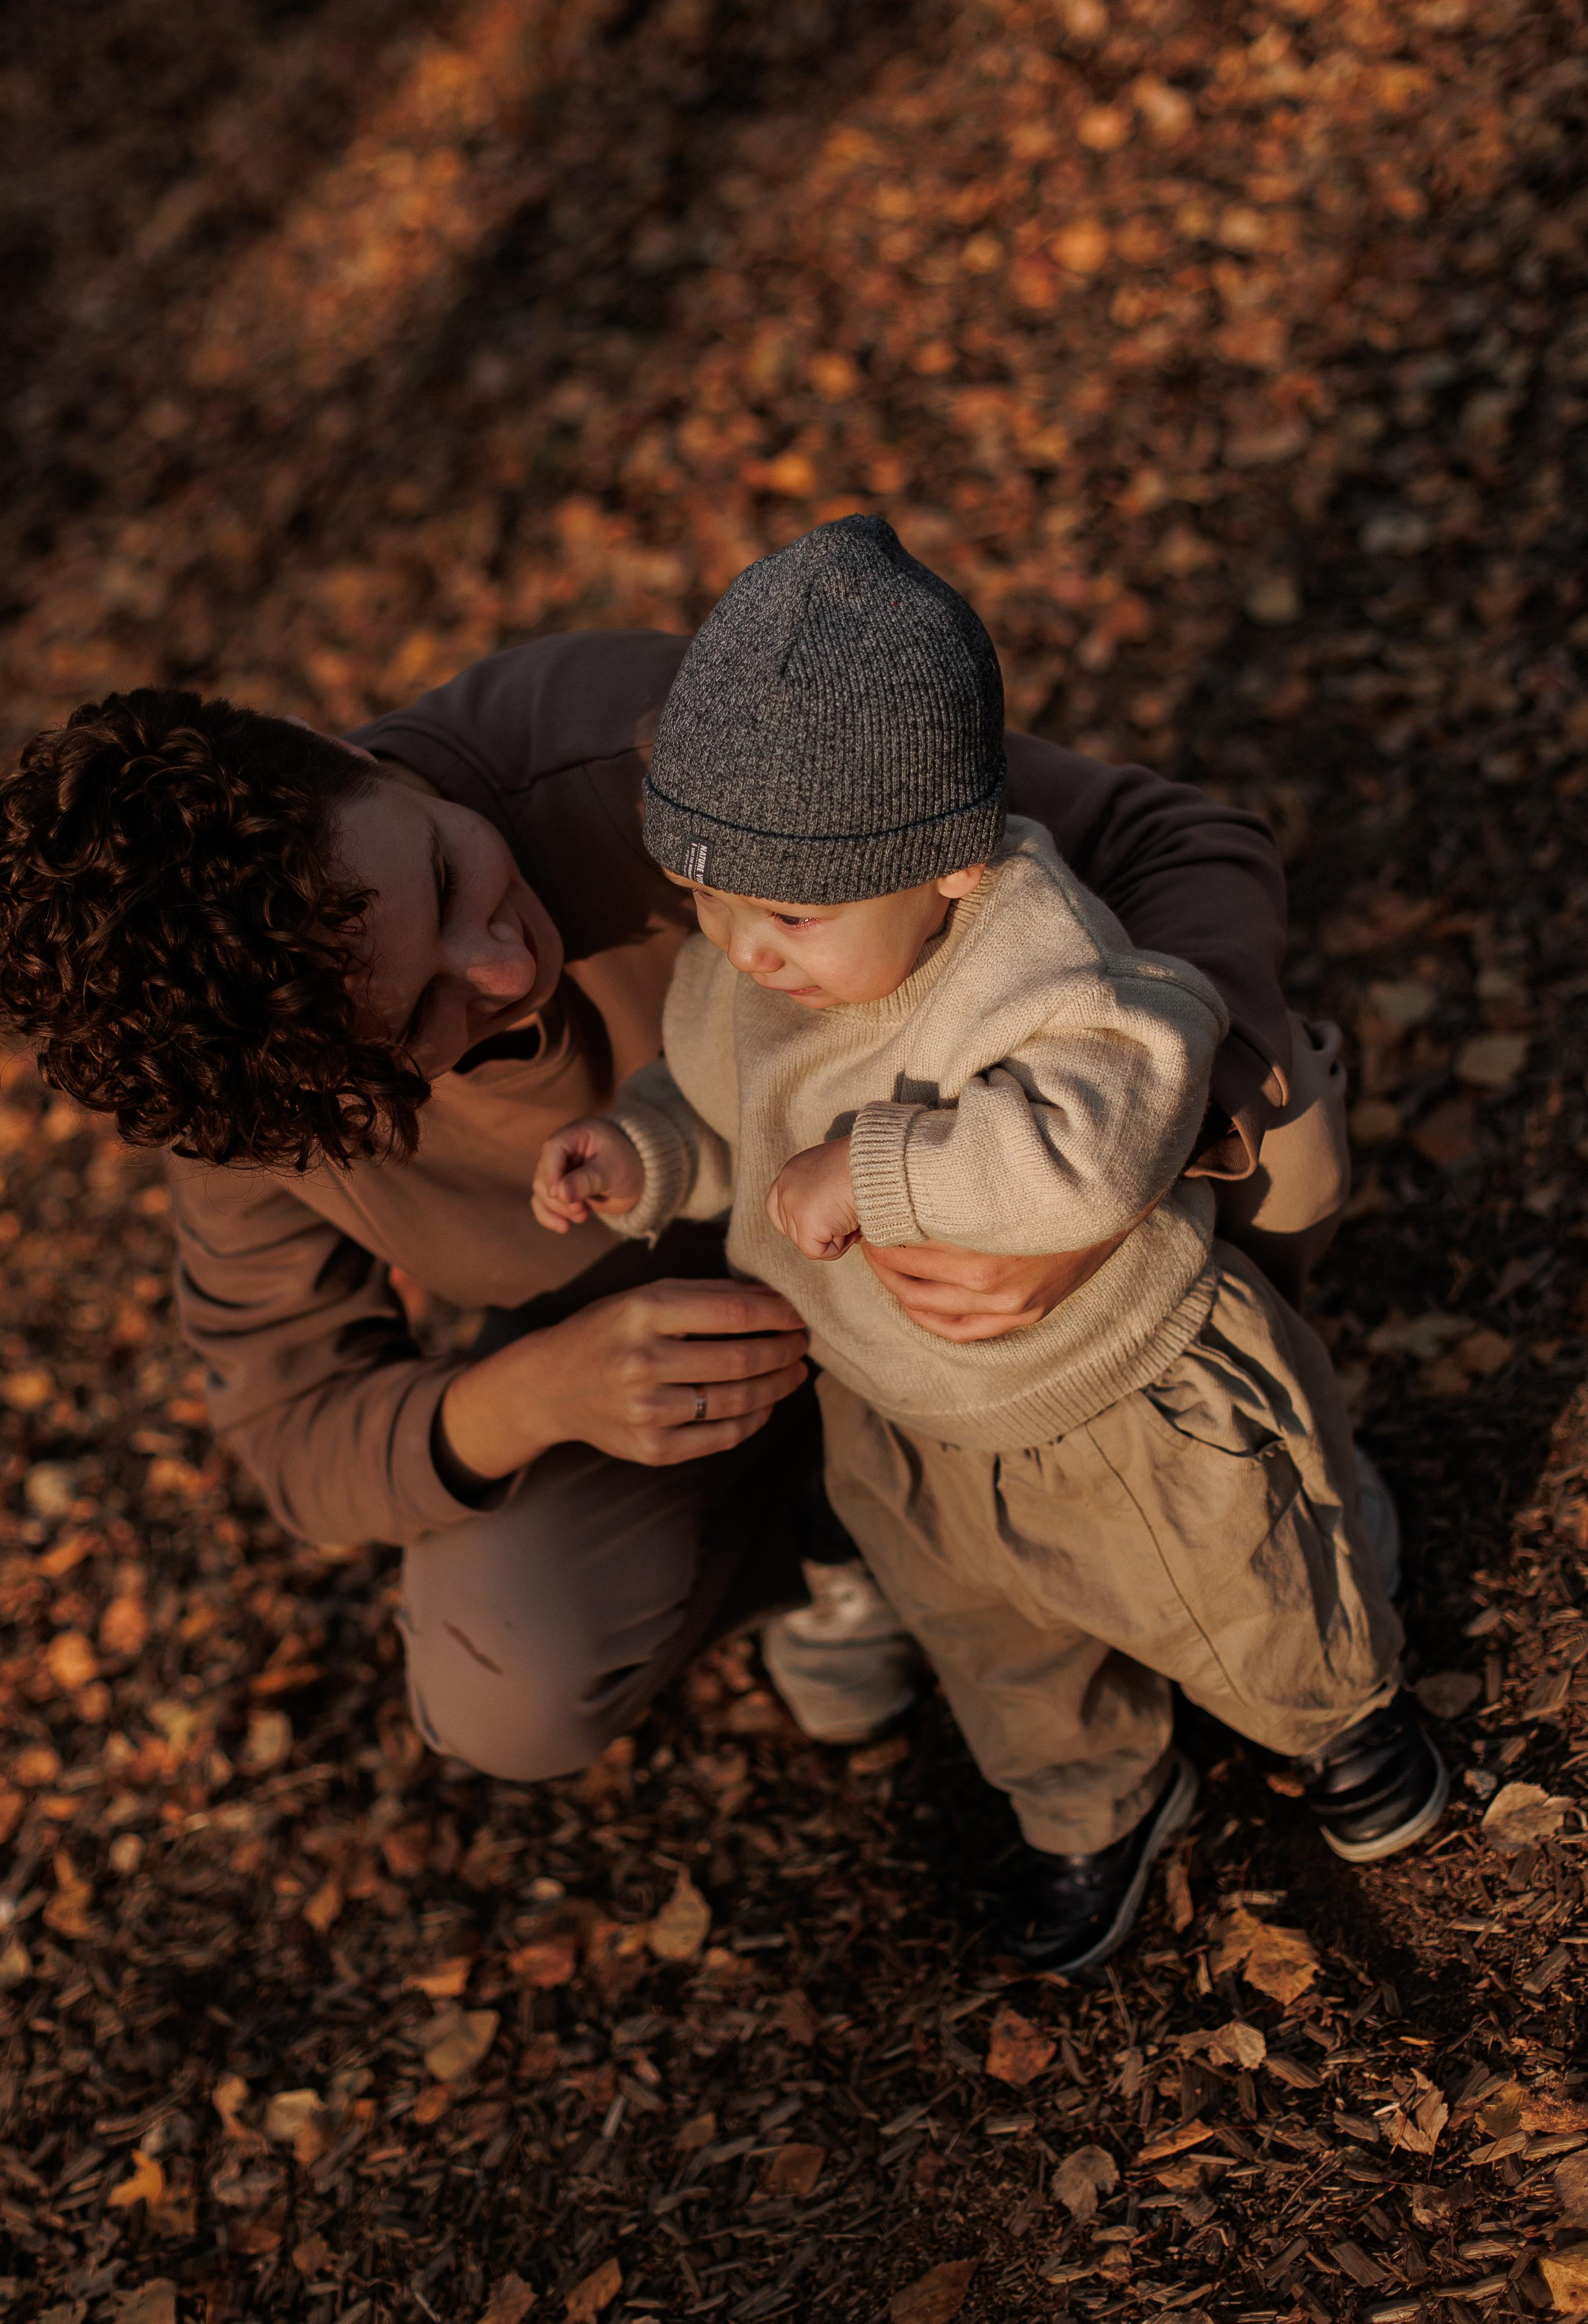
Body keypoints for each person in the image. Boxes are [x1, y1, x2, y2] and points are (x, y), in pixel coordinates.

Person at [0, 585, 1349, 1856]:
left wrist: (1092, 1197)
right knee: (501, 1674)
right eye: (421, 1023)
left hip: (959, 1180)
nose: (505, 968)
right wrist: (535, 1394)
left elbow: (1173, 841)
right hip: (704, 1351)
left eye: (447, 875)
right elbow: (294, 1432)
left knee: (1281, 1137)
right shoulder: (256, 1098)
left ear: (318, 745)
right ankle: (833, 1540)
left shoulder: (620, 738)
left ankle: (1221, 1435)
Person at [532, 518, 1446, 1970]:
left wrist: (883, 1170)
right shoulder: (749, 973)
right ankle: (1092, 1801)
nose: (743, 948)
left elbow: (1110, 1117)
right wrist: (641, 1152)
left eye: (783, 910)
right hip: (901, 1412)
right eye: (703, 899)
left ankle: (1342, 1715)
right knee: (997, 1647)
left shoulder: (1029, 954)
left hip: (1110, 1397)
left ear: (948, 868)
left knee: (1234, 1582)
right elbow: (724, 1106)